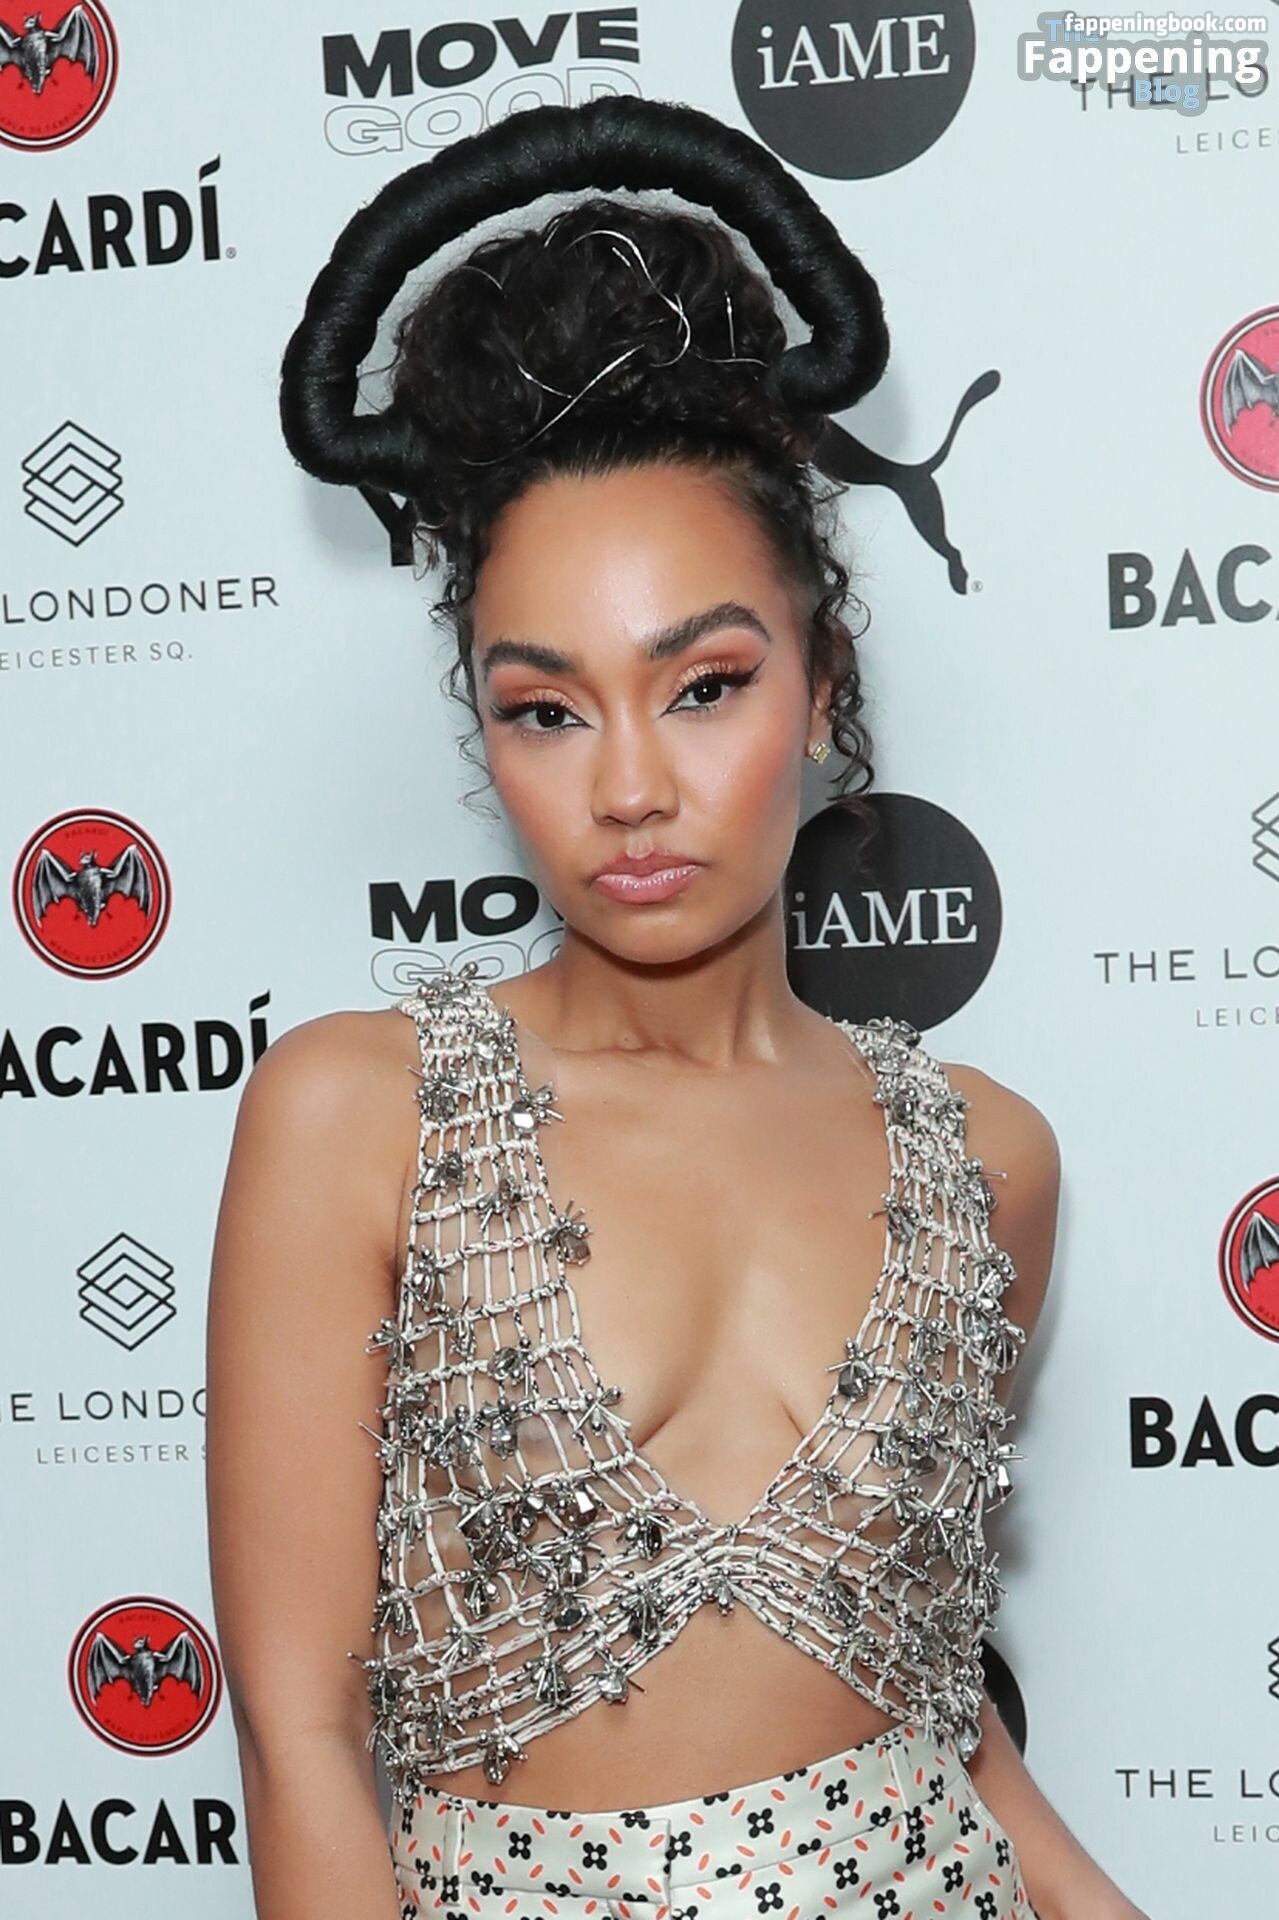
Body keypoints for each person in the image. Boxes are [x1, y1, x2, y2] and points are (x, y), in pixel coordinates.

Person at [206, 95, 1149, 1920]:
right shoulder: (359, 1114)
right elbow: (300, 1738)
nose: (630, 787)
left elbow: (937, 1717)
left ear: (821, 680)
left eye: (703, 684)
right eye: (546, 709)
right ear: (485, 728)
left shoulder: (992, 1160)